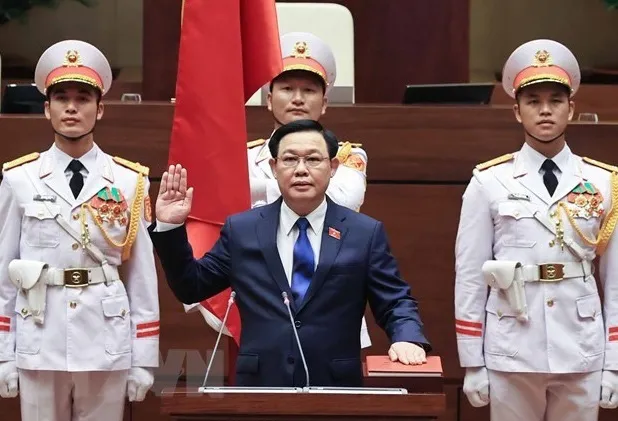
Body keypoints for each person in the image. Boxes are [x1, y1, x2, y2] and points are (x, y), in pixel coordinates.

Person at [150, 119, 430, 387]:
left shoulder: (363, 233)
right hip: (260, 386)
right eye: (289, 159)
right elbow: (192, 286)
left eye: (312, 159)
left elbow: (394, 301)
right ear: (274, 167)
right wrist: (170, 227)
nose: (301, 169)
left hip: (335, 386)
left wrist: (407, 338)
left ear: (332, 167)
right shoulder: (243, 229)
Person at [455, 39, 618, 421]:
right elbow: (469, 275)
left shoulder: (603, 182)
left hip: (580, 344)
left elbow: (615, 280)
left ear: (571, 108)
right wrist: (472, 361)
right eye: (533, 101)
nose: (545, 110)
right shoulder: (489, 181)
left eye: (555, 100)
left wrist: (614, 362)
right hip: (512, 343)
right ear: (517, 111)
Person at [0, 40, 159, 421]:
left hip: (105, 338)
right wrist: (4, 353)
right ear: (46, 108)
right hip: (40, 334)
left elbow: (141, 277)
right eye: (62, 98)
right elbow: (5, 272)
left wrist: (145, 358)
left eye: (83, 98)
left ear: (100, 108)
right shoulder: (19, 178)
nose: (72, 107)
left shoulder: (128, 181)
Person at [191, 31, 372, 350]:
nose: (298, 98)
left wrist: (257, 189)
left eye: (309, 90)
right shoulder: (239, 158)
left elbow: (341, 200)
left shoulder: (346, 156)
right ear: (269, 98)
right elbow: (221, 211)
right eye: (287, 88)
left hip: (331, 312)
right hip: (256, 308)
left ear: (325, 102)